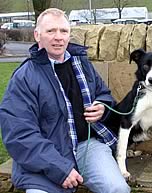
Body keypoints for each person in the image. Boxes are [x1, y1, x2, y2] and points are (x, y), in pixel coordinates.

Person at [0, 8, 130, 193]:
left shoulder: (81, 63)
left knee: (117, 189)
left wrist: (103, 106)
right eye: (51, 31)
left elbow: (104, 93)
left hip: (87, 145)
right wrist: (59, 168)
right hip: (47, 153)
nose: (58, 37)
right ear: (37, 35)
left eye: (63, 31)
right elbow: (19, 134)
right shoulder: (24, 77)